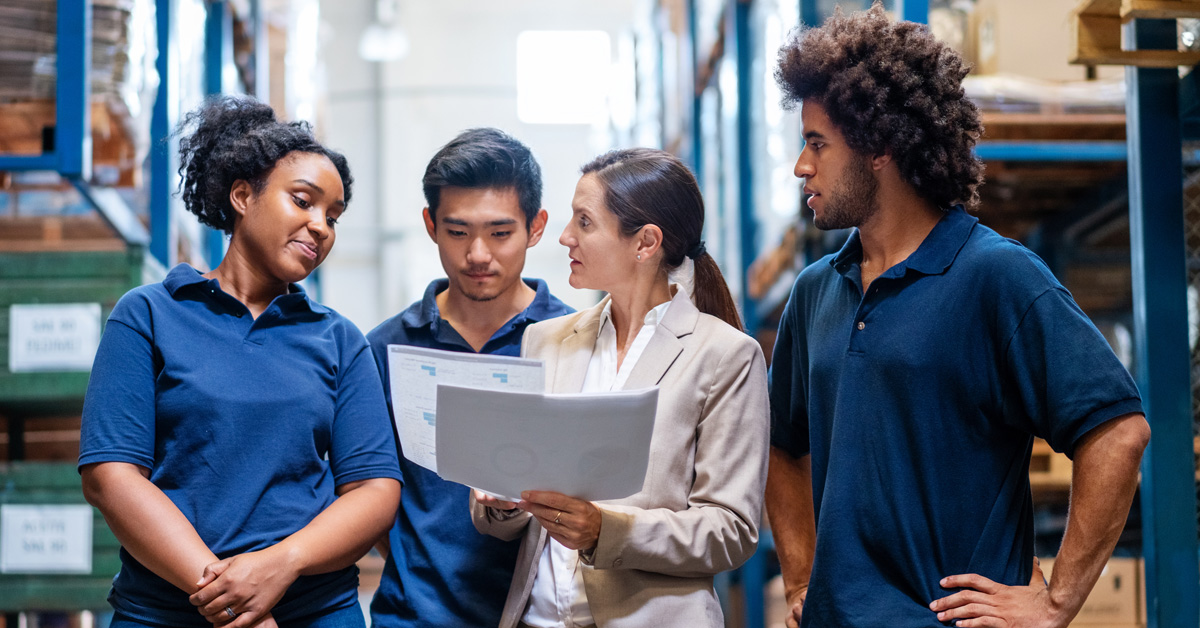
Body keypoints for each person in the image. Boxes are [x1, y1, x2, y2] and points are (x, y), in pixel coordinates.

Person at [764, 5, 1151, 628]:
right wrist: (802, 575)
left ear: (880, 146)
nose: (801, 166)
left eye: (817, 144)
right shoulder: (815, 291)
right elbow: (781, 448)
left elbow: (1118, 433)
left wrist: (1056, 603)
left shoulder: (995, 276)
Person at [78, 96, 403, 628]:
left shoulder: (339, 339)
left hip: (313, 611)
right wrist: (233, 600)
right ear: (243, 195)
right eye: (303, 201)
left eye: (333, 216)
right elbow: (110, 475)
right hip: (168, 612)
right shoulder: (149, 314)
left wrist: (281, 564)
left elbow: (374, 490)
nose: (320, 226)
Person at [471, 148, 769, 628]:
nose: (566, 236)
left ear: (646, 242)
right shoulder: (545, 340)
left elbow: (729, 529)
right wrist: (503, 498)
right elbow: (511, 509)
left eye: (584, 222)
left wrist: (605, 531)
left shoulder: (724, 355)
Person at [366, 128, 574, 628]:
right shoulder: (384, 349)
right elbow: (367, 491)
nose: (478, 254)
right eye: (457, 232)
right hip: (411, 617)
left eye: (500, 233)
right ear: (430, 225)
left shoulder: (575, 342)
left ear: (537, 226)